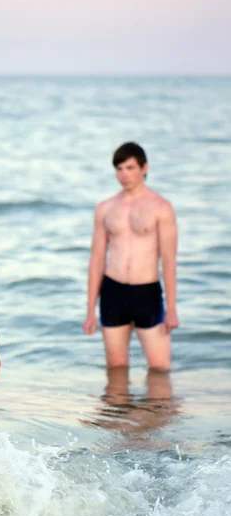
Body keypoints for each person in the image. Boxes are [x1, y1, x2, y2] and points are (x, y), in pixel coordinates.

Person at [83, 142, 179, 370]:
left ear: (144, 168)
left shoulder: (161, 207)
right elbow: (97, 259)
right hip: (113, 291)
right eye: (119, 169)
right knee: (116, 369)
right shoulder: (105, 208)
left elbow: (168, 260)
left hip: (146, 292)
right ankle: (117, 408)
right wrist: (90, 311)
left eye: (129, 168)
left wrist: (172, 309)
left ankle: (154, 408)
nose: (124, 174)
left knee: (160, 369)